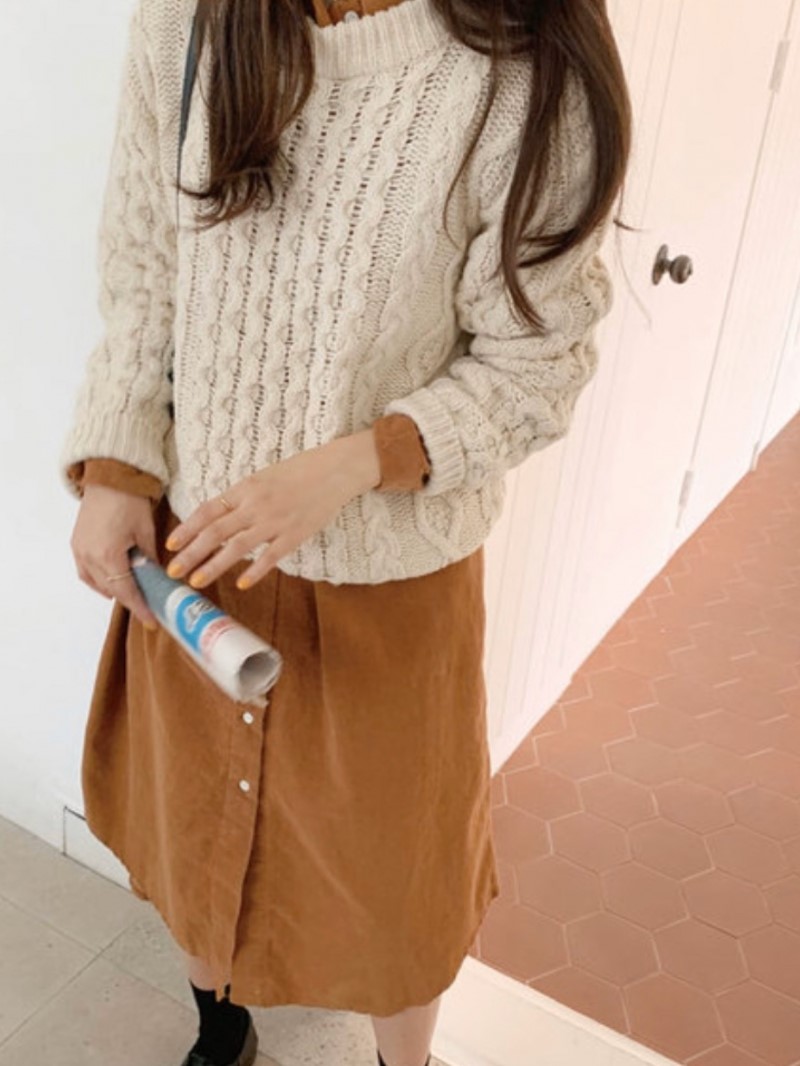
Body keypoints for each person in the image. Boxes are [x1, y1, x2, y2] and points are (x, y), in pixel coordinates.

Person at [59, 0, 632, 1063]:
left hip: (391, 588)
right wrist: (117, 464)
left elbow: (538, 363)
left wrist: (356, 462)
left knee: (397, 893)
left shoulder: (525, 64)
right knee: (190, 837)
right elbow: (145, 263)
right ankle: (219, 1034)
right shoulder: (186, 19)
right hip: (198, 559)